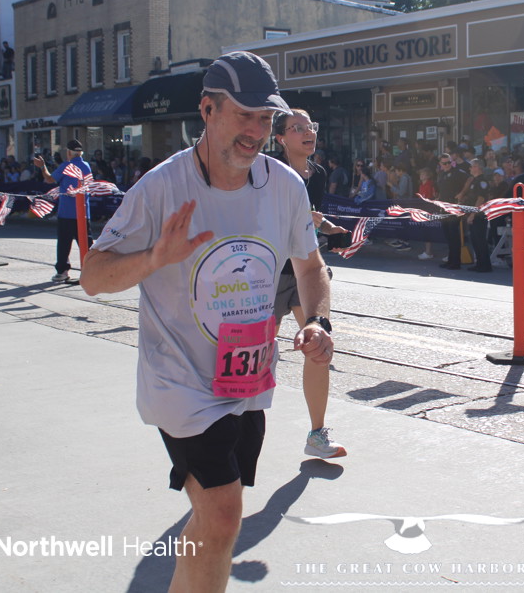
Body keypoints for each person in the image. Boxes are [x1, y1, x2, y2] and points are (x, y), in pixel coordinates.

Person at [80, 51, 331, 593]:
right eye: (243, 115)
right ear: (207, 110)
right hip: (180, 381)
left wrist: (317, 322)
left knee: (218, 524)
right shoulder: (162, 187)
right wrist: (154, 258)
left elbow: (310, 267)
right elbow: (93, 276)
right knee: (221, 511)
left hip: (247, 379)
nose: (256, 130)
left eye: (265, 118)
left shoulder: (285, 185)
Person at [271, 108, 349, 458]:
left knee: (319, 347)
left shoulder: (317, 174)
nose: (308, 132)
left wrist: (330, 228)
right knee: (255, 354)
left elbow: (310, 218)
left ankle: (317, 435)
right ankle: (234, 429)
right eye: (297, 128)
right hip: (270, 274)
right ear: (280, 138)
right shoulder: (268, 172)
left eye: (311, 126)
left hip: (305, 272)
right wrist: (305, 220)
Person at [33, 139, 93, 283]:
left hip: (67, 212)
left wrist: (42, 167)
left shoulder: (67, 166)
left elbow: (49, 179)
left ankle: (62, 271)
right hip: (83, 212)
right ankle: (92, 270)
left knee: (64, 243)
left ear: (69, 152)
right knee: (86, 243)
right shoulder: (86, 166)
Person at [436, 152, 468, 269]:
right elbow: (442, 189)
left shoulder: (457, 172)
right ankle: (450, 260)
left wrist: (462, 194)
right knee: (448, 234)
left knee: (454, 234)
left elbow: (470, 179)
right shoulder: (441, 174)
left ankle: (456, 262)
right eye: (444, 163)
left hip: (454, 206)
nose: (447, 165)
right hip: (444, 207)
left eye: (449, 162)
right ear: (440, 164)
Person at [463, 158, 492, 272]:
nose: (469, 168)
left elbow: (480, 199)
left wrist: (472, 215)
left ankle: (485, 265)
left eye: (471, 166)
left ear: (477, 167)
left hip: (479, 215)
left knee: (480, 240)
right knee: (475, 240)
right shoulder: (474, 181)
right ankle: (479, 264)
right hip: (473, 214)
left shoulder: (482, 181)